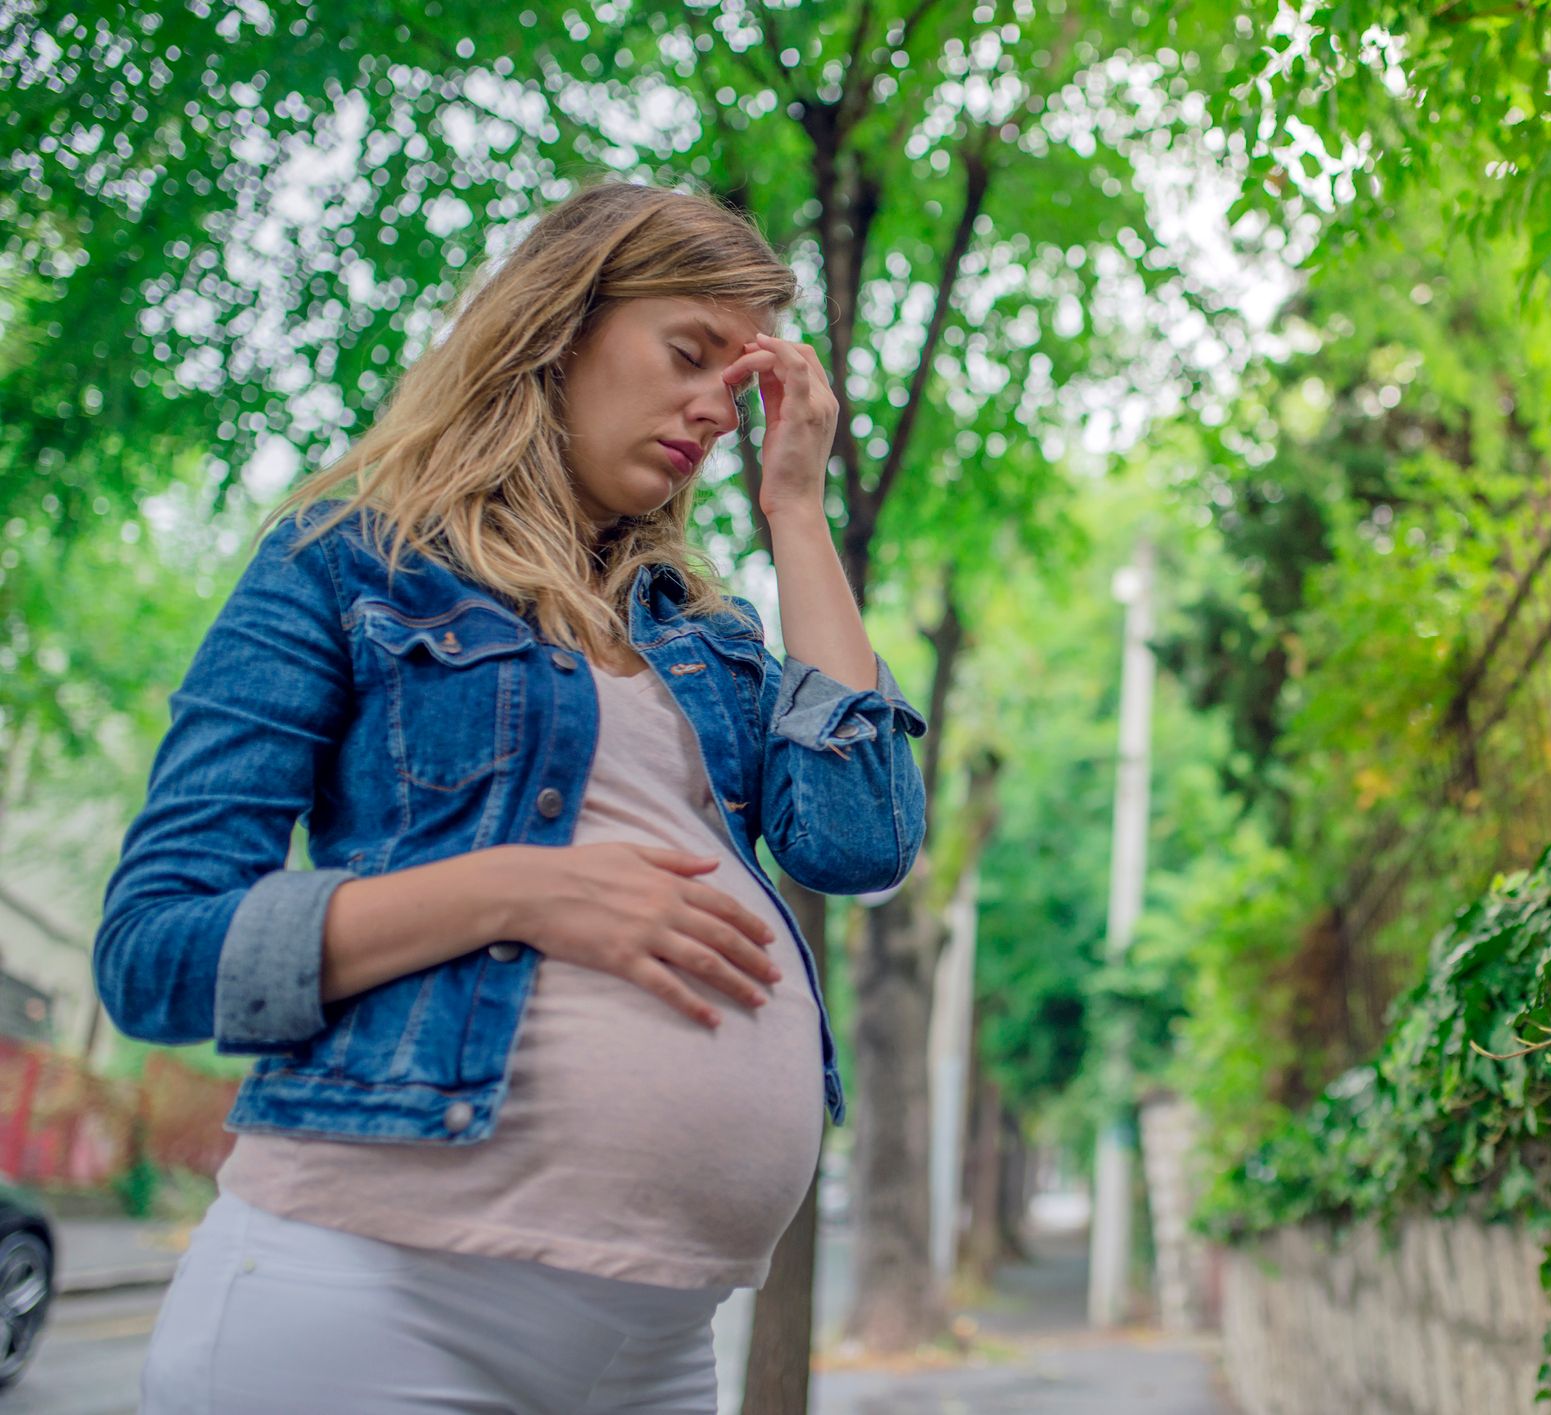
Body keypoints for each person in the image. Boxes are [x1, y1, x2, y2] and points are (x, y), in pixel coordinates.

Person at [92, 179, 927, 1412]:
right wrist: (518, 890)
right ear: (560, 325)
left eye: (736, 384)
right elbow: (153, 950)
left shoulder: (709, 638)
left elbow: (861, 841)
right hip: (373, 1301)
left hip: (653, 1343)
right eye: (687, 352)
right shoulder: (345, 560)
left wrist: (796, 510)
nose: (713, 408)